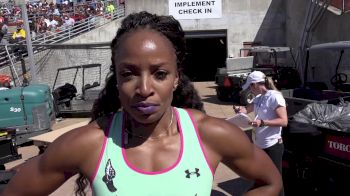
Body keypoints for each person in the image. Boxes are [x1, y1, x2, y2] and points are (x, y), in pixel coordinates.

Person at [2, 12, 282, 196]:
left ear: (175, 78)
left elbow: (271, 182)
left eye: (160, 74)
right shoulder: (90, 143)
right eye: (129, 74)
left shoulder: (210, 135)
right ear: (116, 77)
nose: (145, 89)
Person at [233, 70, 288, 196]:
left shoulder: (275, 97)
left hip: (272, 146)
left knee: (275, 181)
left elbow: (283, 121)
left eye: (250, 87)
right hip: (259, 145)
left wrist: (262, 122)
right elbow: (246, 109)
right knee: (262, 177)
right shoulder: (258, 98)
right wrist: (239, 110)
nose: (250, 90)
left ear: (256, 84)